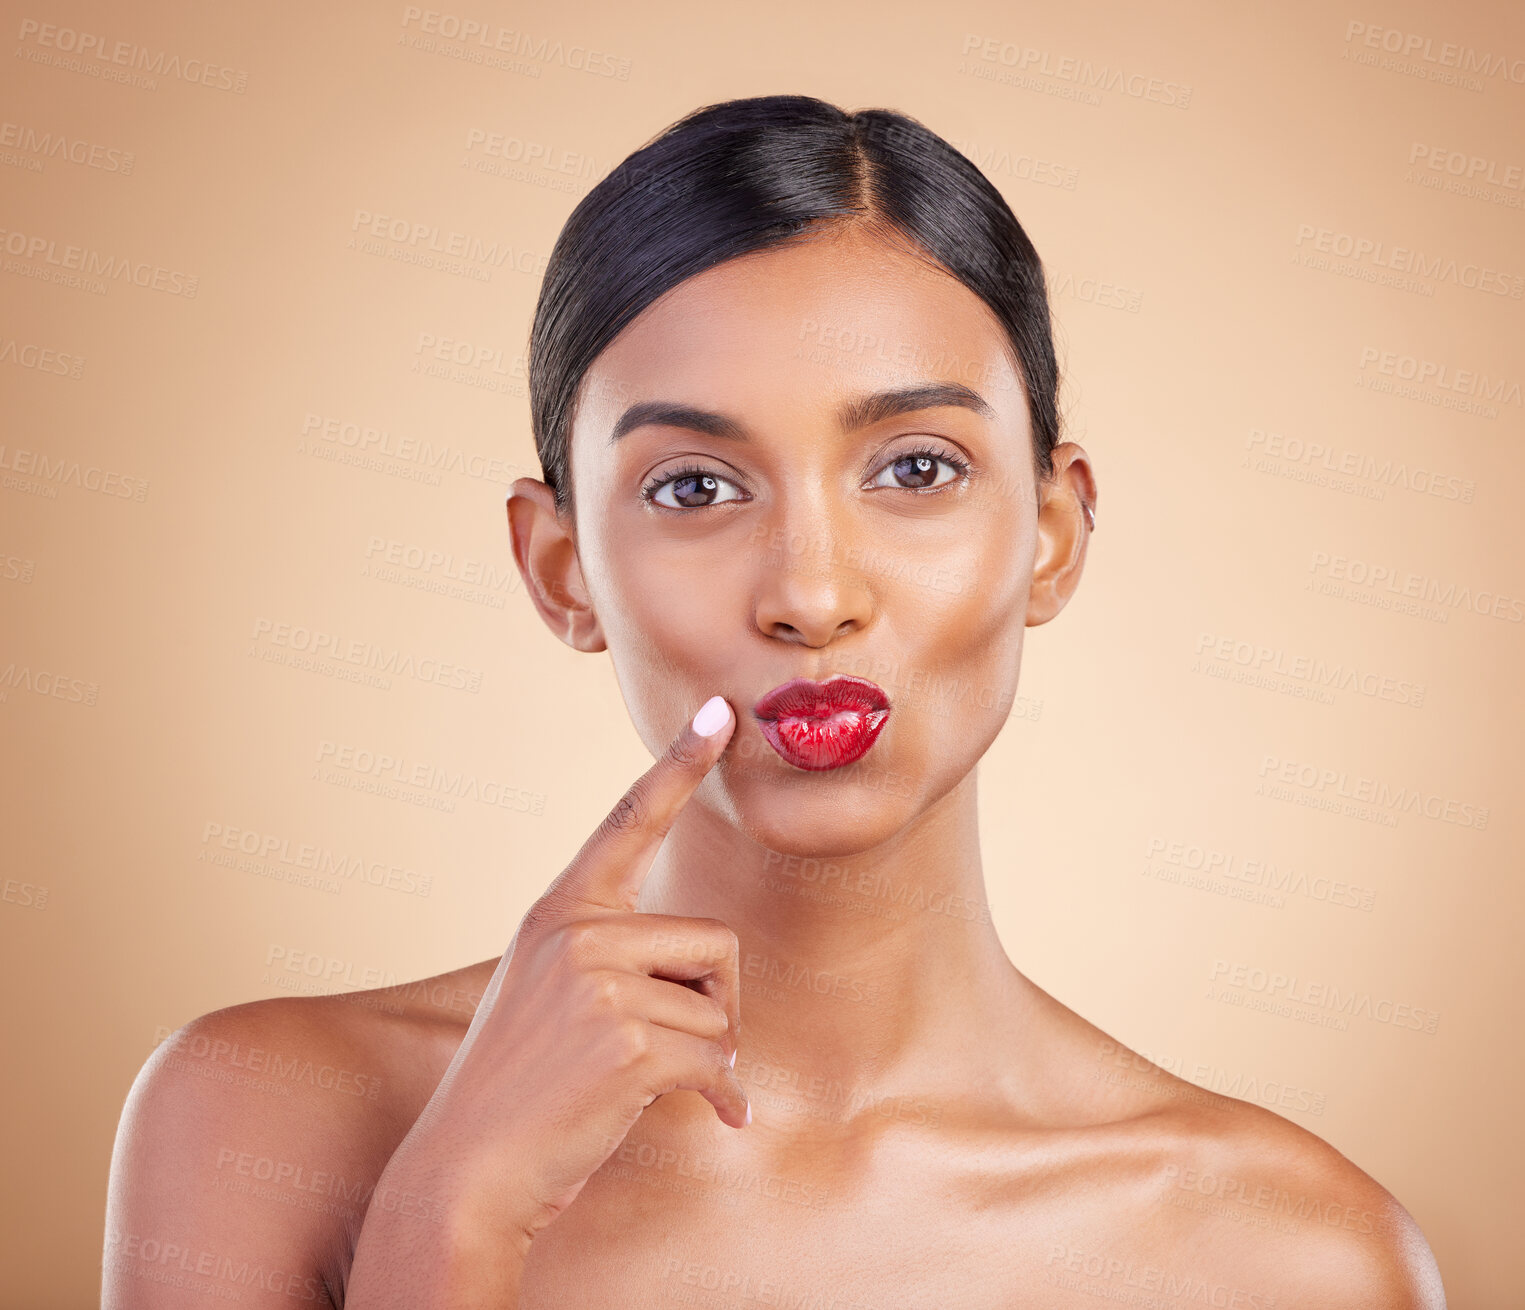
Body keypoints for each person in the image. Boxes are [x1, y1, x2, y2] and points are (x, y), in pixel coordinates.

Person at [102, 94, 1446, 1308]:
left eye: (913, 469)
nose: (810, 593)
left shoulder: (1291, 1255)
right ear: (559, 569)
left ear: (1050, 533)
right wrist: (450, 1208)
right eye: (696, 487)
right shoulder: (266, 1119)